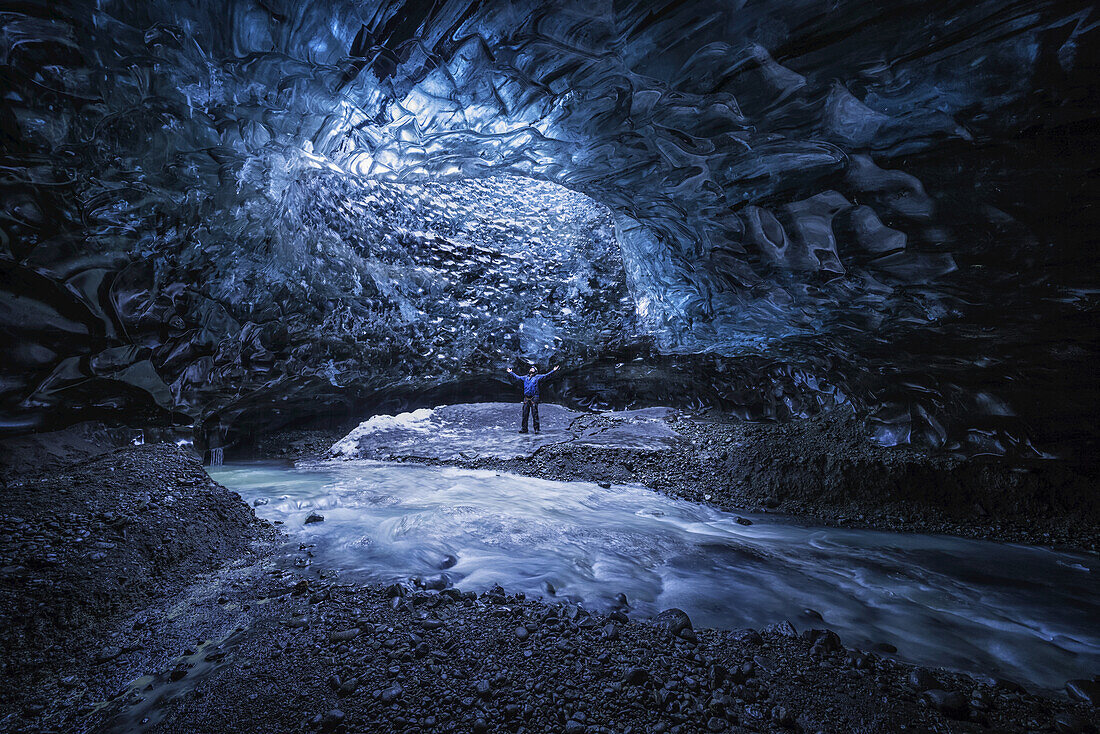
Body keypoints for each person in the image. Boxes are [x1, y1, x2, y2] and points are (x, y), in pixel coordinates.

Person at [506, 364, 560, 433]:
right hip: (526, 398)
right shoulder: (525, 377)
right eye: (531, 368)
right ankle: (524, 429)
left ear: (535, 371)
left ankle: (537, 429)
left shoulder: (537, 377)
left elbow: (546, 376)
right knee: (525, 414)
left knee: (535, 414)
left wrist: (553, 371)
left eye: (533, 368)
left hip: (534, 397)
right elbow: (517, 378)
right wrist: (511, 373)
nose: (531, 369)